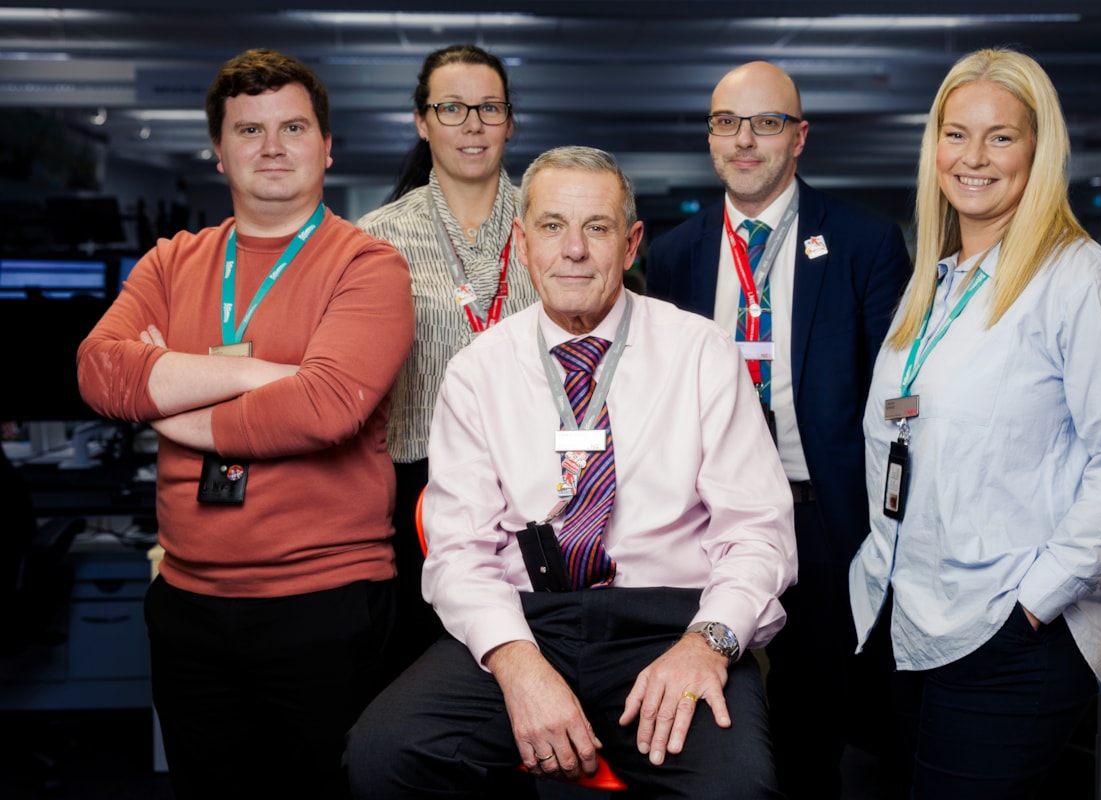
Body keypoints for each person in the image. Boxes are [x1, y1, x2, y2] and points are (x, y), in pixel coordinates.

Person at [344, 146, 798, 799]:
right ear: (524, 243)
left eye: (598, 227)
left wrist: (708, 642)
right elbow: (458, 555)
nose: (574, 250)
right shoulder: (479, 370)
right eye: (553, 226)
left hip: (670, 623)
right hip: (528, 619)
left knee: (736, 787)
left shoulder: (699, 354)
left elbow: (758, 534)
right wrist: (517, 662)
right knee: (385, 754)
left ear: (633, 241)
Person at [76, 48, 414, 800]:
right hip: (188, 603)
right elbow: (99, 371)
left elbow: (329, 408)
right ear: (219, 152)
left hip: (323, 604)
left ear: (327, 147)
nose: (272, 146)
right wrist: (265, 379)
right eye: (248, 130)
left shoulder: (369, 266)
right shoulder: (171, 261)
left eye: (293, 126)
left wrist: (171, 403)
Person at [848, 48, 1101, 799]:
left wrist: (1033, 604)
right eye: (956, 133)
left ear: (1040, 148)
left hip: (1009, 633)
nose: (974, 157)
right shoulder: (936, 280)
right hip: (915, 620)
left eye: (1001, 136)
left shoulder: (1085, 284)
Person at [645, 60, 912, 797]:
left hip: (820, 514)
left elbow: (896, 391)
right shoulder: (671, 257)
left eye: (766, 123)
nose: (745, 140)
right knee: (709, 711)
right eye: (727, 123)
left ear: (799, 136)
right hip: (706, 519)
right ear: (709, 137)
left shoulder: (862, 241)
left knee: (812, 723)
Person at [356, 43, 540, 676]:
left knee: (528, 660)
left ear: (510, 122)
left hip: (535, 482)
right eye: (451, 107)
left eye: (489, 108)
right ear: (422, 120)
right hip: (418, 484)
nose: (472, 124)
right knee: (423, 670)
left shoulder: (550, 227)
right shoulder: (375, 239)